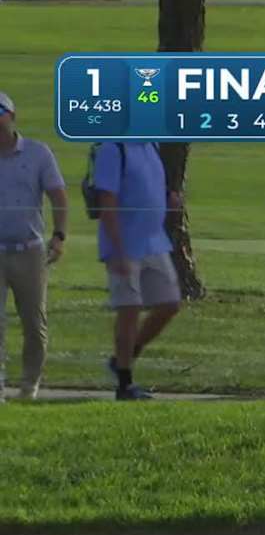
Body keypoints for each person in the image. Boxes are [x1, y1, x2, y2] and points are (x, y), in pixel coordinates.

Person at [94, 141, 183, 400]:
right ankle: (124, 384)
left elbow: (149, 185)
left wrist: (168, 199)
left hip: (154, 242)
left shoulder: (151, 146)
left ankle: (125, 355)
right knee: (129, 309)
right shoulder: (113, 149)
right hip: (123, 245)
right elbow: (107, 200)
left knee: (169, 304)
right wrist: (117, 249)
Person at [0, 91, 67, 402]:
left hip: (29, 250)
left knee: (33, 323)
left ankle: (29, 386)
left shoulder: (38, 153)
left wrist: (60, 235)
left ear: (12, 117)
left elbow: (58, 196)